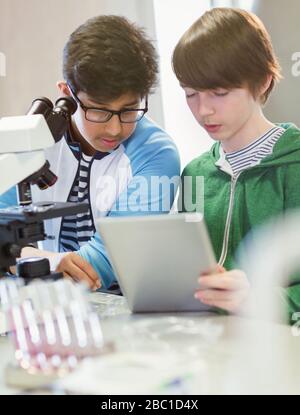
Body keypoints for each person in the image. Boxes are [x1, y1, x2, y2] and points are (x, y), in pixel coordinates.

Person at [0, 15, 180, 290]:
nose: (114, 129)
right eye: (98, 110)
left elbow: (104, 264)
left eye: (129, 110)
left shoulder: (157, 154)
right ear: (67, 94)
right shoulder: (34, 140)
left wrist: (25, 258)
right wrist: (36, 258)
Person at [172, 7, 300, 323]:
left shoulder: (294, 165)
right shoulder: (195, 173)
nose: (203, 111)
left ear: (263, 81)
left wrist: (265, 299)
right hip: (208, 344)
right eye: (191, 94)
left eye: (219, 93)